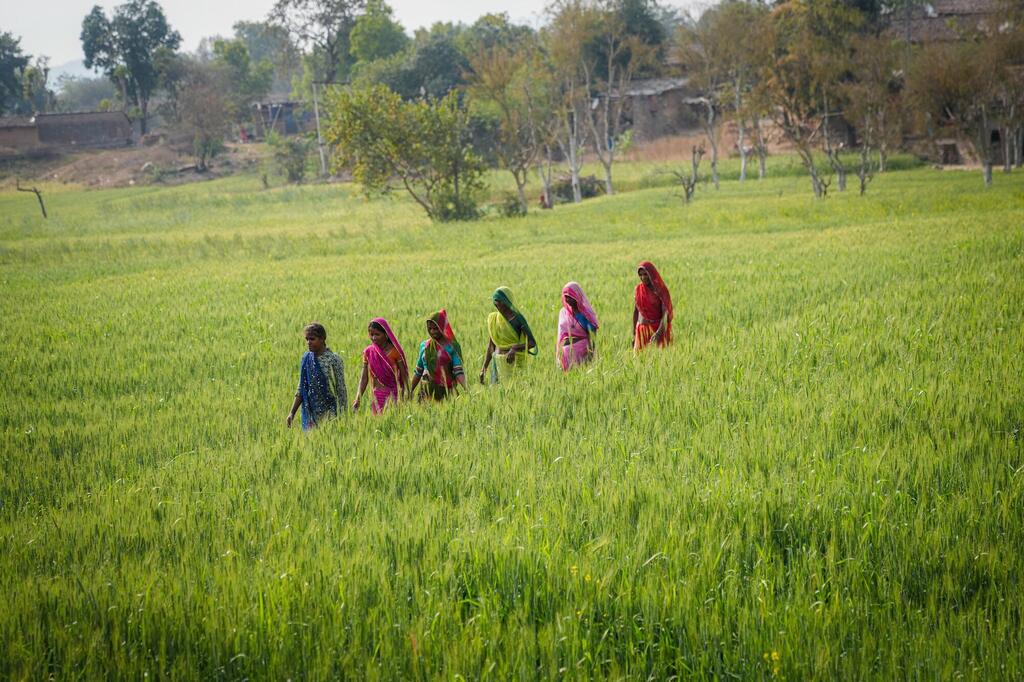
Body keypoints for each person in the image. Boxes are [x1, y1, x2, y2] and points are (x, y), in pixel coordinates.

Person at [287, 322, 347, 430]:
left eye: (312, 339)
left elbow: (341, 390)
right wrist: (292, 413)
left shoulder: (333, 360)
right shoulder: (306, 359)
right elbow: (301, 388)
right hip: (311, 415)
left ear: (322, 339)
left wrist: (343, 417)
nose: (308, 342)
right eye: (307, 339)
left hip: (331, 414)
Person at [479, 286, 538, 384]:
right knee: (496, 394)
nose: (497, 304)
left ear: (507, 300)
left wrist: (515, 349)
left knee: (515, 393)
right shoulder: (494, 319)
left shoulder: (518, 319)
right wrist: (483, 368)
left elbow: (532, 343)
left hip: (513, 364)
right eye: (495, 301)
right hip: (497, 363)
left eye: (499, 301)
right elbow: (491, 346)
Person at [353, 317, 409, 414]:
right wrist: (358, 398)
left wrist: (407, 394)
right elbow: (364, 378)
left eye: (377, 334)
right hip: (376, 396)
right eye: (371, 334)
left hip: (394, 395)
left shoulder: (394, 352)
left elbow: (404, 376)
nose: (373, 338)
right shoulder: (368, 352)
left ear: (386, 334)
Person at [409, 309, 468, 400]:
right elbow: (418, 371)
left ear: (442, 327)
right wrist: (410, 390)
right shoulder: (424, 346)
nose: (432, 332)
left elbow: (458, 371)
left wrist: (467, 389)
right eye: (430, 328)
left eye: (436, 328)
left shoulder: (452, 347)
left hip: (445, 393)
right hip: (425, 392)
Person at [557, 281, 599, 371]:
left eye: (570, 297)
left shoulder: (585, 314)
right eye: (566, 297)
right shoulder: (563, 313)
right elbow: (560, 336)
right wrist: (559, 353)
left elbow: (593, 335)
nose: (568, 300)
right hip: (565, 354)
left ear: (577, 296)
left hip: (582, 353)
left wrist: (590, 355)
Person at [632, 261, 673, 351]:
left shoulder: (661, 291)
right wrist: (634, 334)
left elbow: (665, 315)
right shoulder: (638, 289)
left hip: (658, 330)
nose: (643, 277)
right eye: (641, 275)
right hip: (641, 332)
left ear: (651, 274)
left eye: (646, 274)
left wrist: (658, 333)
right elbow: (636, 312)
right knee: (639, 361)